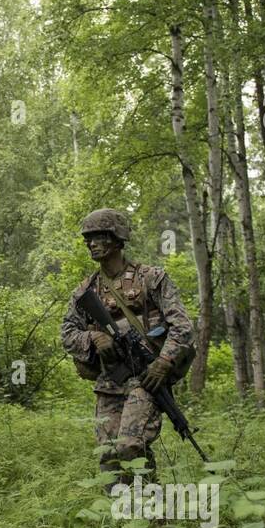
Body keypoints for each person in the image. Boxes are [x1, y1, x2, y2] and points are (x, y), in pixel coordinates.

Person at [60, 208, 194, 487]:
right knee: (109, 457)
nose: (92, 244)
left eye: (100, 237)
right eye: (89, 239)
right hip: (109, 382)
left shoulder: (152, 278)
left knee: (130, 446)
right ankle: (121, 522)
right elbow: (68, 333)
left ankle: (153, 518)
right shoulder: (86, 291)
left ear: (118, 239)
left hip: (146, 378)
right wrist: (93, 339)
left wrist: (164, 361)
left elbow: (182, 326)